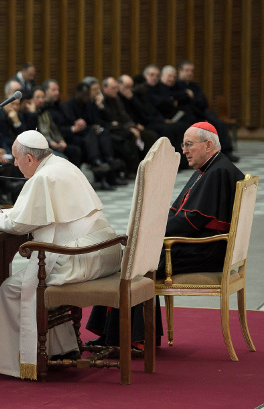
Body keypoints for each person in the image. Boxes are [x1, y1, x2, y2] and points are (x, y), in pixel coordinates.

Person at [0, 130, 121, 380]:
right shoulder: (63, 164)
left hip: (80, 257)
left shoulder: (42, 178)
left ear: (30, 158)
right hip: (105, 250)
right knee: (37, 276)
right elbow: (33, 214)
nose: (15, 164)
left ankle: (14, 362)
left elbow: (18, 225)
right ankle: (62, 348)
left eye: (17, 158)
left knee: (11, 288)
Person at [86, 122, 244, 347]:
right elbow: (179, 212)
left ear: (208, 145)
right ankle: (127, 335)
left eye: (189, 145)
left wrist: (151, 231)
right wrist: (151, 226)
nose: (185, 151)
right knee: (135, 257)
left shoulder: (217, 171)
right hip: (201, 246)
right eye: (183, 145)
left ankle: (130, 339)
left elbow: (192, 219)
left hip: (206, 250)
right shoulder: (212, 168)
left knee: (137, 264)